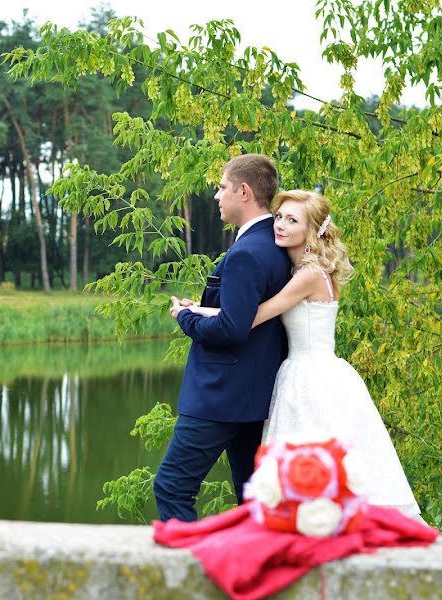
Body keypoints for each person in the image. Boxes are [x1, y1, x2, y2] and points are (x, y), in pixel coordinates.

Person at [188, 189, 421, 517]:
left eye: (291, 220)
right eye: (279, 216)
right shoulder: (310, 270)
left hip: (311, 379)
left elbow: (253, 316)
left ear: (311, 231)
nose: (279, 225)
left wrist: (195, 315)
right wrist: (200, 308)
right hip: (316, 372)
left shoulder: (309, 275)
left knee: (316, 463)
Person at [154, 154, 292, 522]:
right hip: (254, 395)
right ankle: (250, 569)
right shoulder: (275, 247)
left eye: (221, 187)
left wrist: (184, 317)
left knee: (171, 487)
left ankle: (188, 572)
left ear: (243, 192)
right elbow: (246, 314)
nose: (216, 196)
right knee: (252, 498)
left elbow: (233, 329)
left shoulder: (246, 253)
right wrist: (202, 308)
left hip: (221, 394)